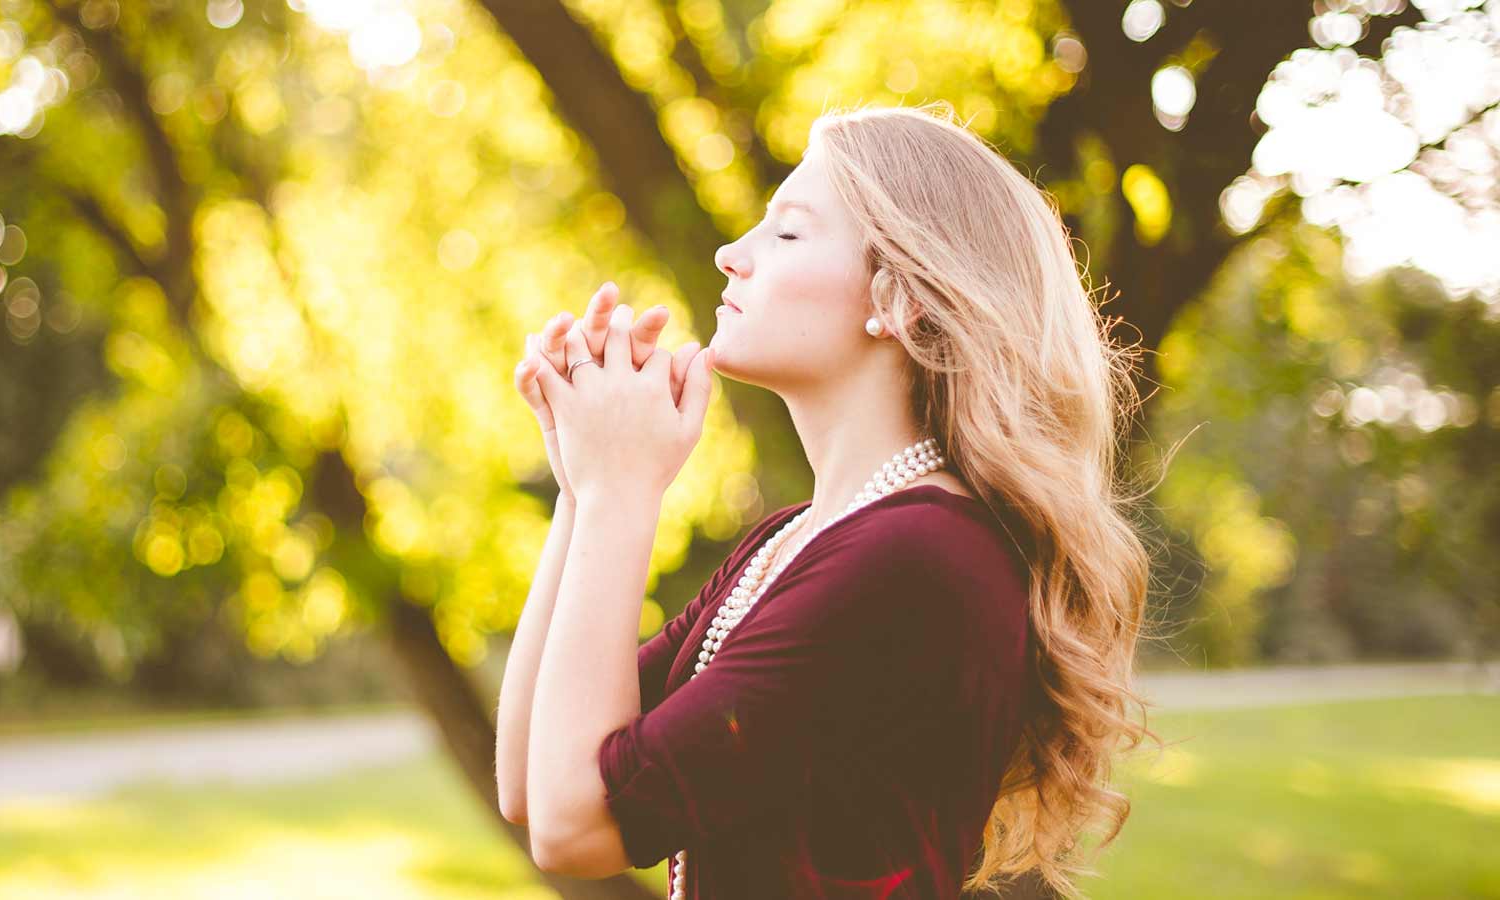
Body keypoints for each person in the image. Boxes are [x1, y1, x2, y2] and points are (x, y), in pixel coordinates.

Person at [494, 103, 1162, 899]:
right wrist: (582, 484)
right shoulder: (799, 541)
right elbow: (531, 790)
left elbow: (579, 829)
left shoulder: (913, 560)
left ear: (903, 299)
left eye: (787, 233)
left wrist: (621, 492)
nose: (731, 253)